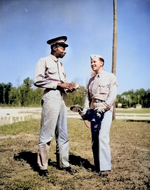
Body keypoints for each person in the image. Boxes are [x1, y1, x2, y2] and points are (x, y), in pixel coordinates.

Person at [33, 36, 74, 176]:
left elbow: (63, 82)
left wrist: (69, 86)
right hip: (51, 97)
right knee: (47, 133)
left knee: (63, 132)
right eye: (63, 47)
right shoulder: (43, 61)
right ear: (54, 47)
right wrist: (57, 84)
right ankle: (43, 166)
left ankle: (64, 163)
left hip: (62, 98)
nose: (65, 51)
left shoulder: (61, 65)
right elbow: (37, 80)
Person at [82, 54, 118, 177]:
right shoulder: (91, 80)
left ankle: (105, 168)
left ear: (101, 63)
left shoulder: (110, 77)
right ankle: (98, 166)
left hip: (106, 110)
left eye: (94, 62)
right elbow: (88, 96)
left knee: (103, 136)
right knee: (95, 138)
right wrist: (86, 110)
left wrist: (104, 108)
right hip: (94, 110)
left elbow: (112, 95)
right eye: (91, 62)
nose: (92, 64)